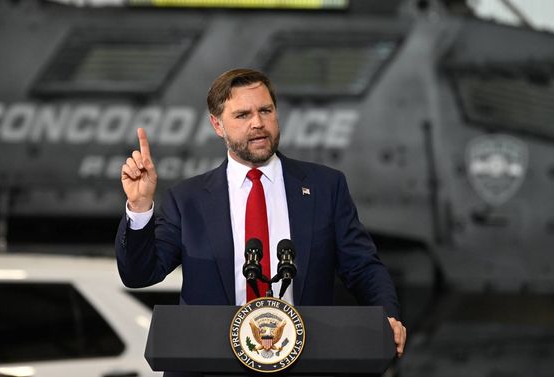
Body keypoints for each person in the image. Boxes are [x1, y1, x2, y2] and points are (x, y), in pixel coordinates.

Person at [115, 68, 406, 362]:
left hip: (306, 361)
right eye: (243, 115)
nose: (258, 123)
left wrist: (388, 316)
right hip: (212, 365)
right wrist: (139, 206)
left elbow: (362, 267)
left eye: (265, 111)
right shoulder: (187, 199)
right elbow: (139, 274)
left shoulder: (325, 187)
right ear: (217, 125)